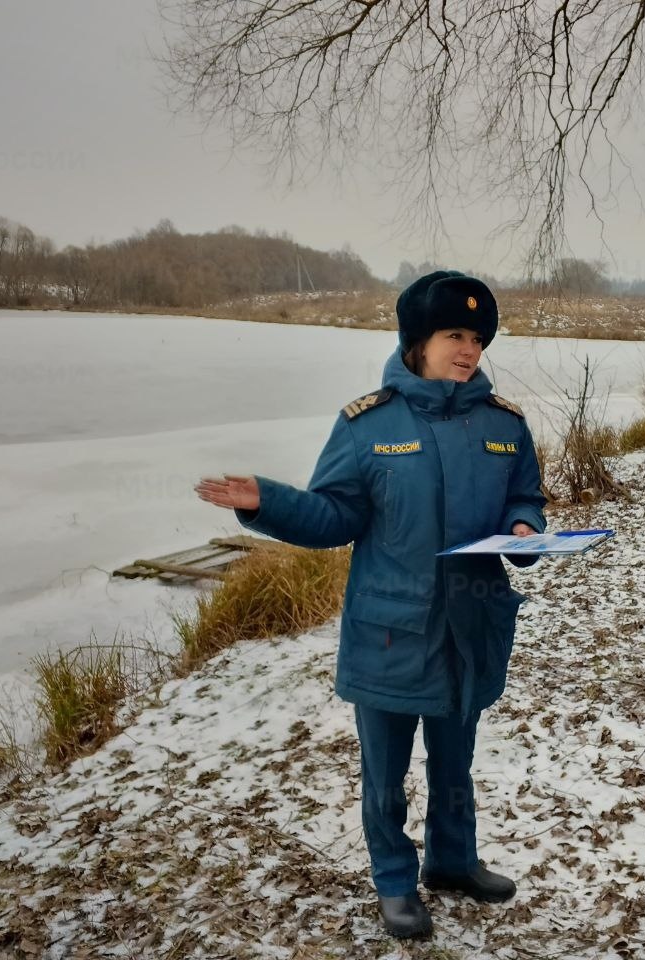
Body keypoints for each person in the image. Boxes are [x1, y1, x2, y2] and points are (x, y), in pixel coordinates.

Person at [195, 270, 547, 940]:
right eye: (454, 334)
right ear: (417, 341)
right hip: (391, 631)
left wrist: (527, 530)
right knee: (384, 773)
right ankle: (394, 881)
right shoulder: (368, 423)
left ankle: (452, 861)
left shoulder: (505, 426)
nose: (468, 348)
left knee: (454, 764)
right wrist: (267, 501)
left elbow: (524, 498)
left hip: (470, 627)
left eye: (477, 337)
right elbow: (332, 516)